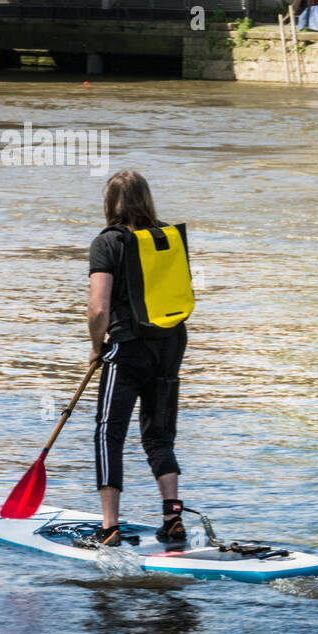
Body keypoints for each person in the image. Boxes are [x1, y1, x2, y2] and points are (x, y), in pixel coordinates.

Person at [87, 171, 191, 547]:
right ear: (147, 199)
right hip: (170, 344)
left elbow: (99, 308)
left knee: (108, 433)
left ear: (110, 202)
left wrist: (97, 346)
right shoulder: (168, 237)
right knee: (159, 435)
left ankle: (109, 526)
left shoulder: (108, 242)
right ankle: (172, 518)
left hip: (128, 348)